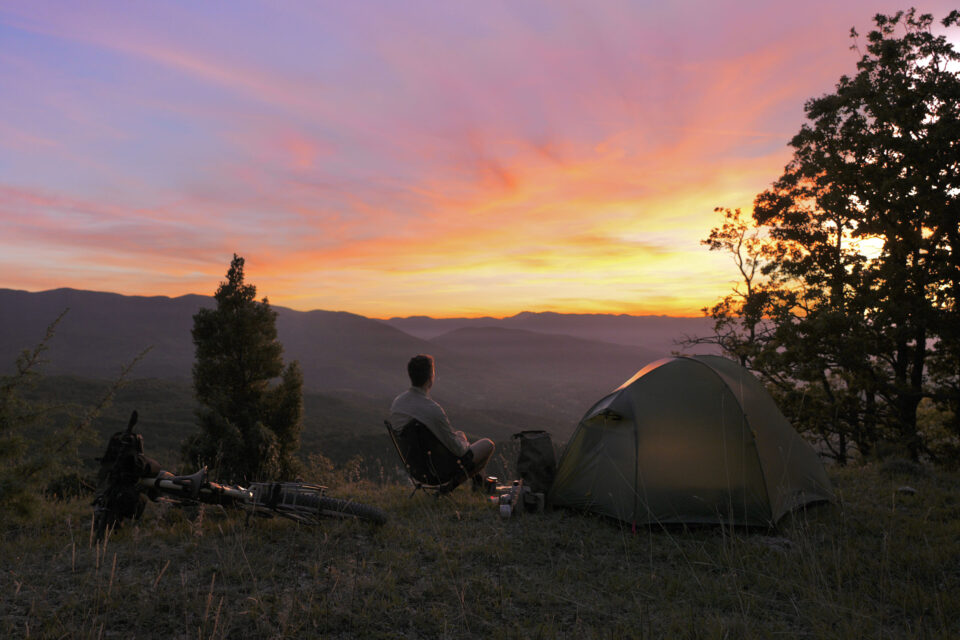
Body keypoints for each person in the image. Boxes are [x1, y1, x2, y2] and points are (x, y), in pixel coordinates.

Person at [390, 354, 495, 486]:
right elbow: (459, 451)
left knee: (460, 434)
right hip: (439, 472)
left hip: (416, 470)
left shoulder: (397, 404)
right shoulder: (433, 409)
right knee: (488, 444)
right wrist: (464, 443)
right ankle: (449, 487)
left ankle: (478, 485)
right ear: (430, 378)